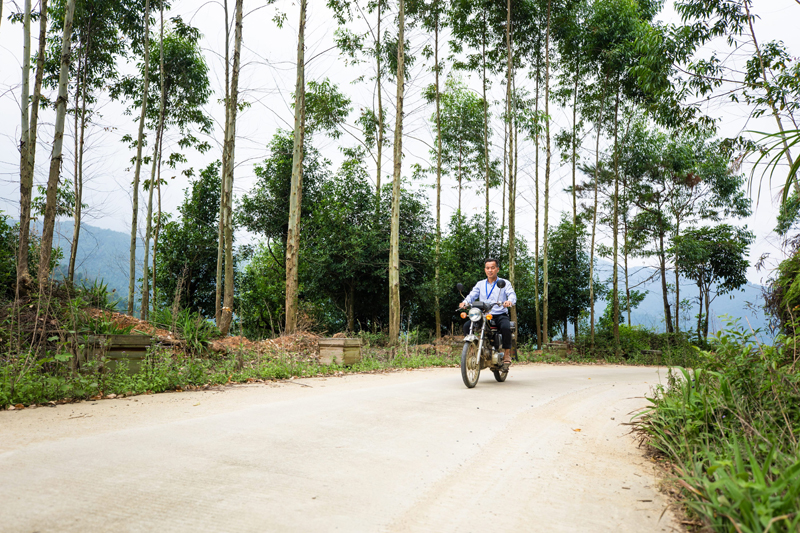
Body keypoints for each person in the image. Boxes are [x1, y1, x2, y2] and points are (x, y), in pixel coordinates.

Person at [459, 258, 517, 371]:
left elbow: (512, 295)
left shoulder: (504, 283)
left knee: (506, 327)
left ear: (497, 269)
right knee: (466, 326)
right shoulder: (480, 284)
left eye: (492, 268)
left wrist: (509, 301)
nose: (490, 270)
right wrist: (464, 302)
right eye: (487, 268)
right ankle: (472, 351)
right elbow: (472, 295)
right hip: (483, 314)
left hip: (499, 314)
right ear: (485, 270)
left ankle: (506, 354)